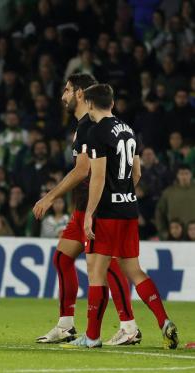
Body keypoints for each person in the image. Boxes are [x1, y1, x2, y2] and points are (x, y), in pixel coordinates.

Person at [33, 74, 139, 346]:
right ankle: (67, 325)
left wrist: (49, 197)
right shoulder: (85, 125)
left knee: (107, 264)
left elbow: (83, 170)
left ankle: (128, 326)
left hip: (95, 208)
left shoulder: (89, 127)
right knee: (63, 258)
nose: (63, 96)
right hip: (85, 207)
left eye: (67, 90)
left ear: (81, 94)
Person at [71, 83, 178, 349]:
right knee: (134, 270)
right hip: (129, 210)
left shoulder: (96, 132)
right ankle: (164, 321)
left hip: (106, 213)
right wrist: (125, 194)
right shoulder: (128, 130)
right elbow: (137, 172)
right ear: (112, 103)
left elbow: (97, 177)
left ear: (92, 104)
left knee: (96, 272)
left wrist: (89, 214)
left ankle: (92, 336)